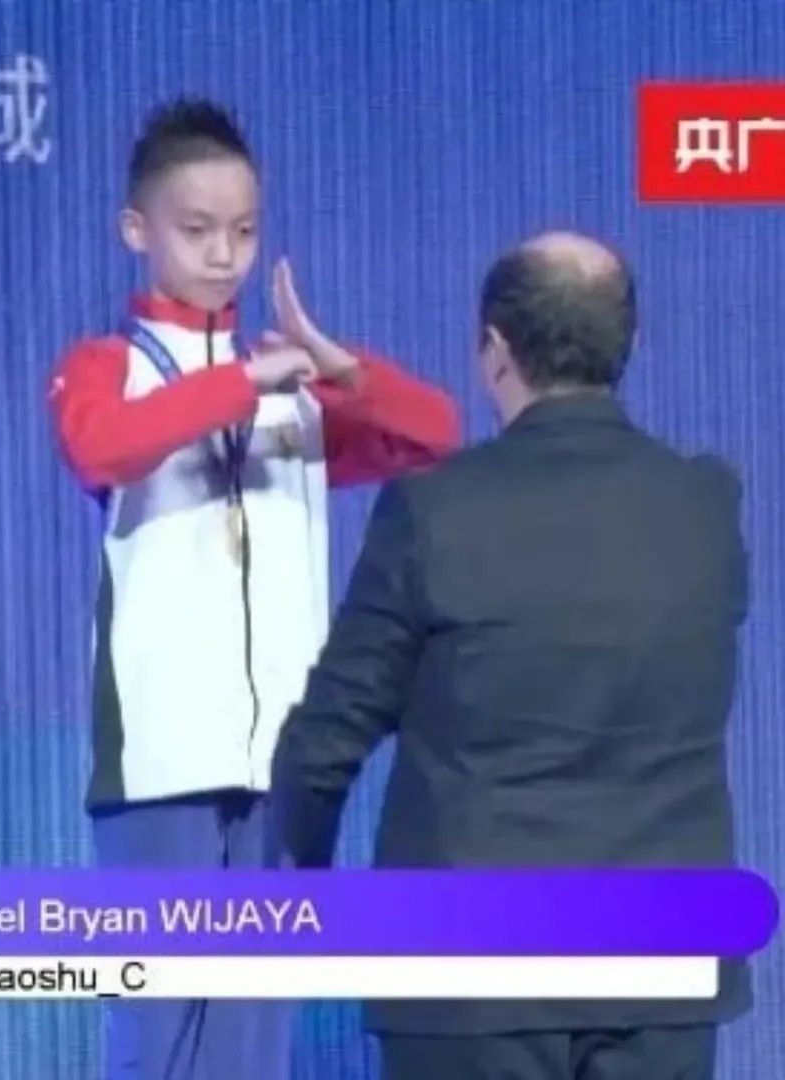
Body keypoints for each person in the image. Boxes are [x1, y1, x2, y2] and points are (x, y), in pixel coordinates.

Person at [271, 231, 751, 1080]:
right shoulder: (705, 507)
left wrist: (294, 888)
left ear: (493, 349)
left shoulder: (434, 513)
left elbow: (326, 740)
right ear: (632, 343)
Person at [47, 98, 460, 1080]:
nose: (223, 254)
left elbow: (434, 435)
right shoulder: (107, 368)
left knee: (253, 1043)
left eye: (242, 231)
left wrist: (338, 366)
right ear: (137, 230)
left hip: (283, 763)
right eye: (196, 230)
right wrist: (245, 383)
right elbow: (102, 447)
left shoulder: (296, 391)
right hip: (159, 764)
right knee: (157, 1039)